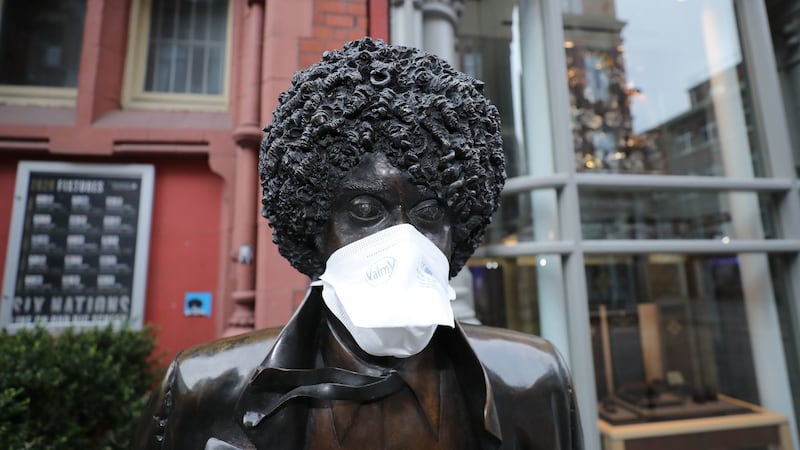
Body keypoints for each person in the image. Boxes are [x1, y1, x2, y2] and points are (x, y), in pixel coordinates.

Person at [132, 37, 583, 450]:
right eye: (366, 211)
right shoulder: (203, 388)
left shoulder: (533, 380)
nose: (401, 243)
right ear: (314, 222)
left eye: (428, 215)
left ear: (457, 227)